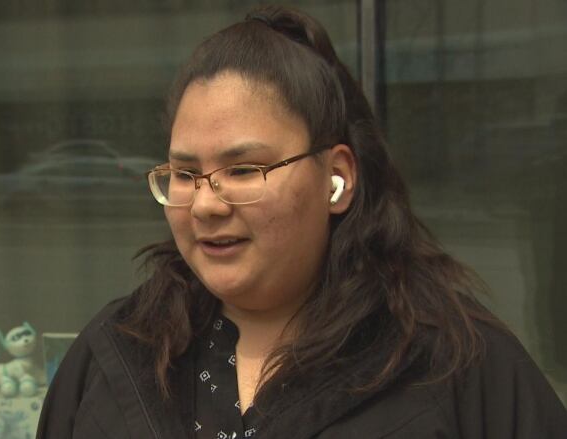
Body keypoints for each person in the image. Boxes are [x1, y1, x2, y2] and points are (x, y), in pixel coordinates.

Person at [36, 5, 567, 438]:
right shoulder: (116, 352)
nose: (205, 205)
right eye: (184, 173)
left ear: (335, 176)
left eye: (243, 169)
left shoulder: (455, 364)